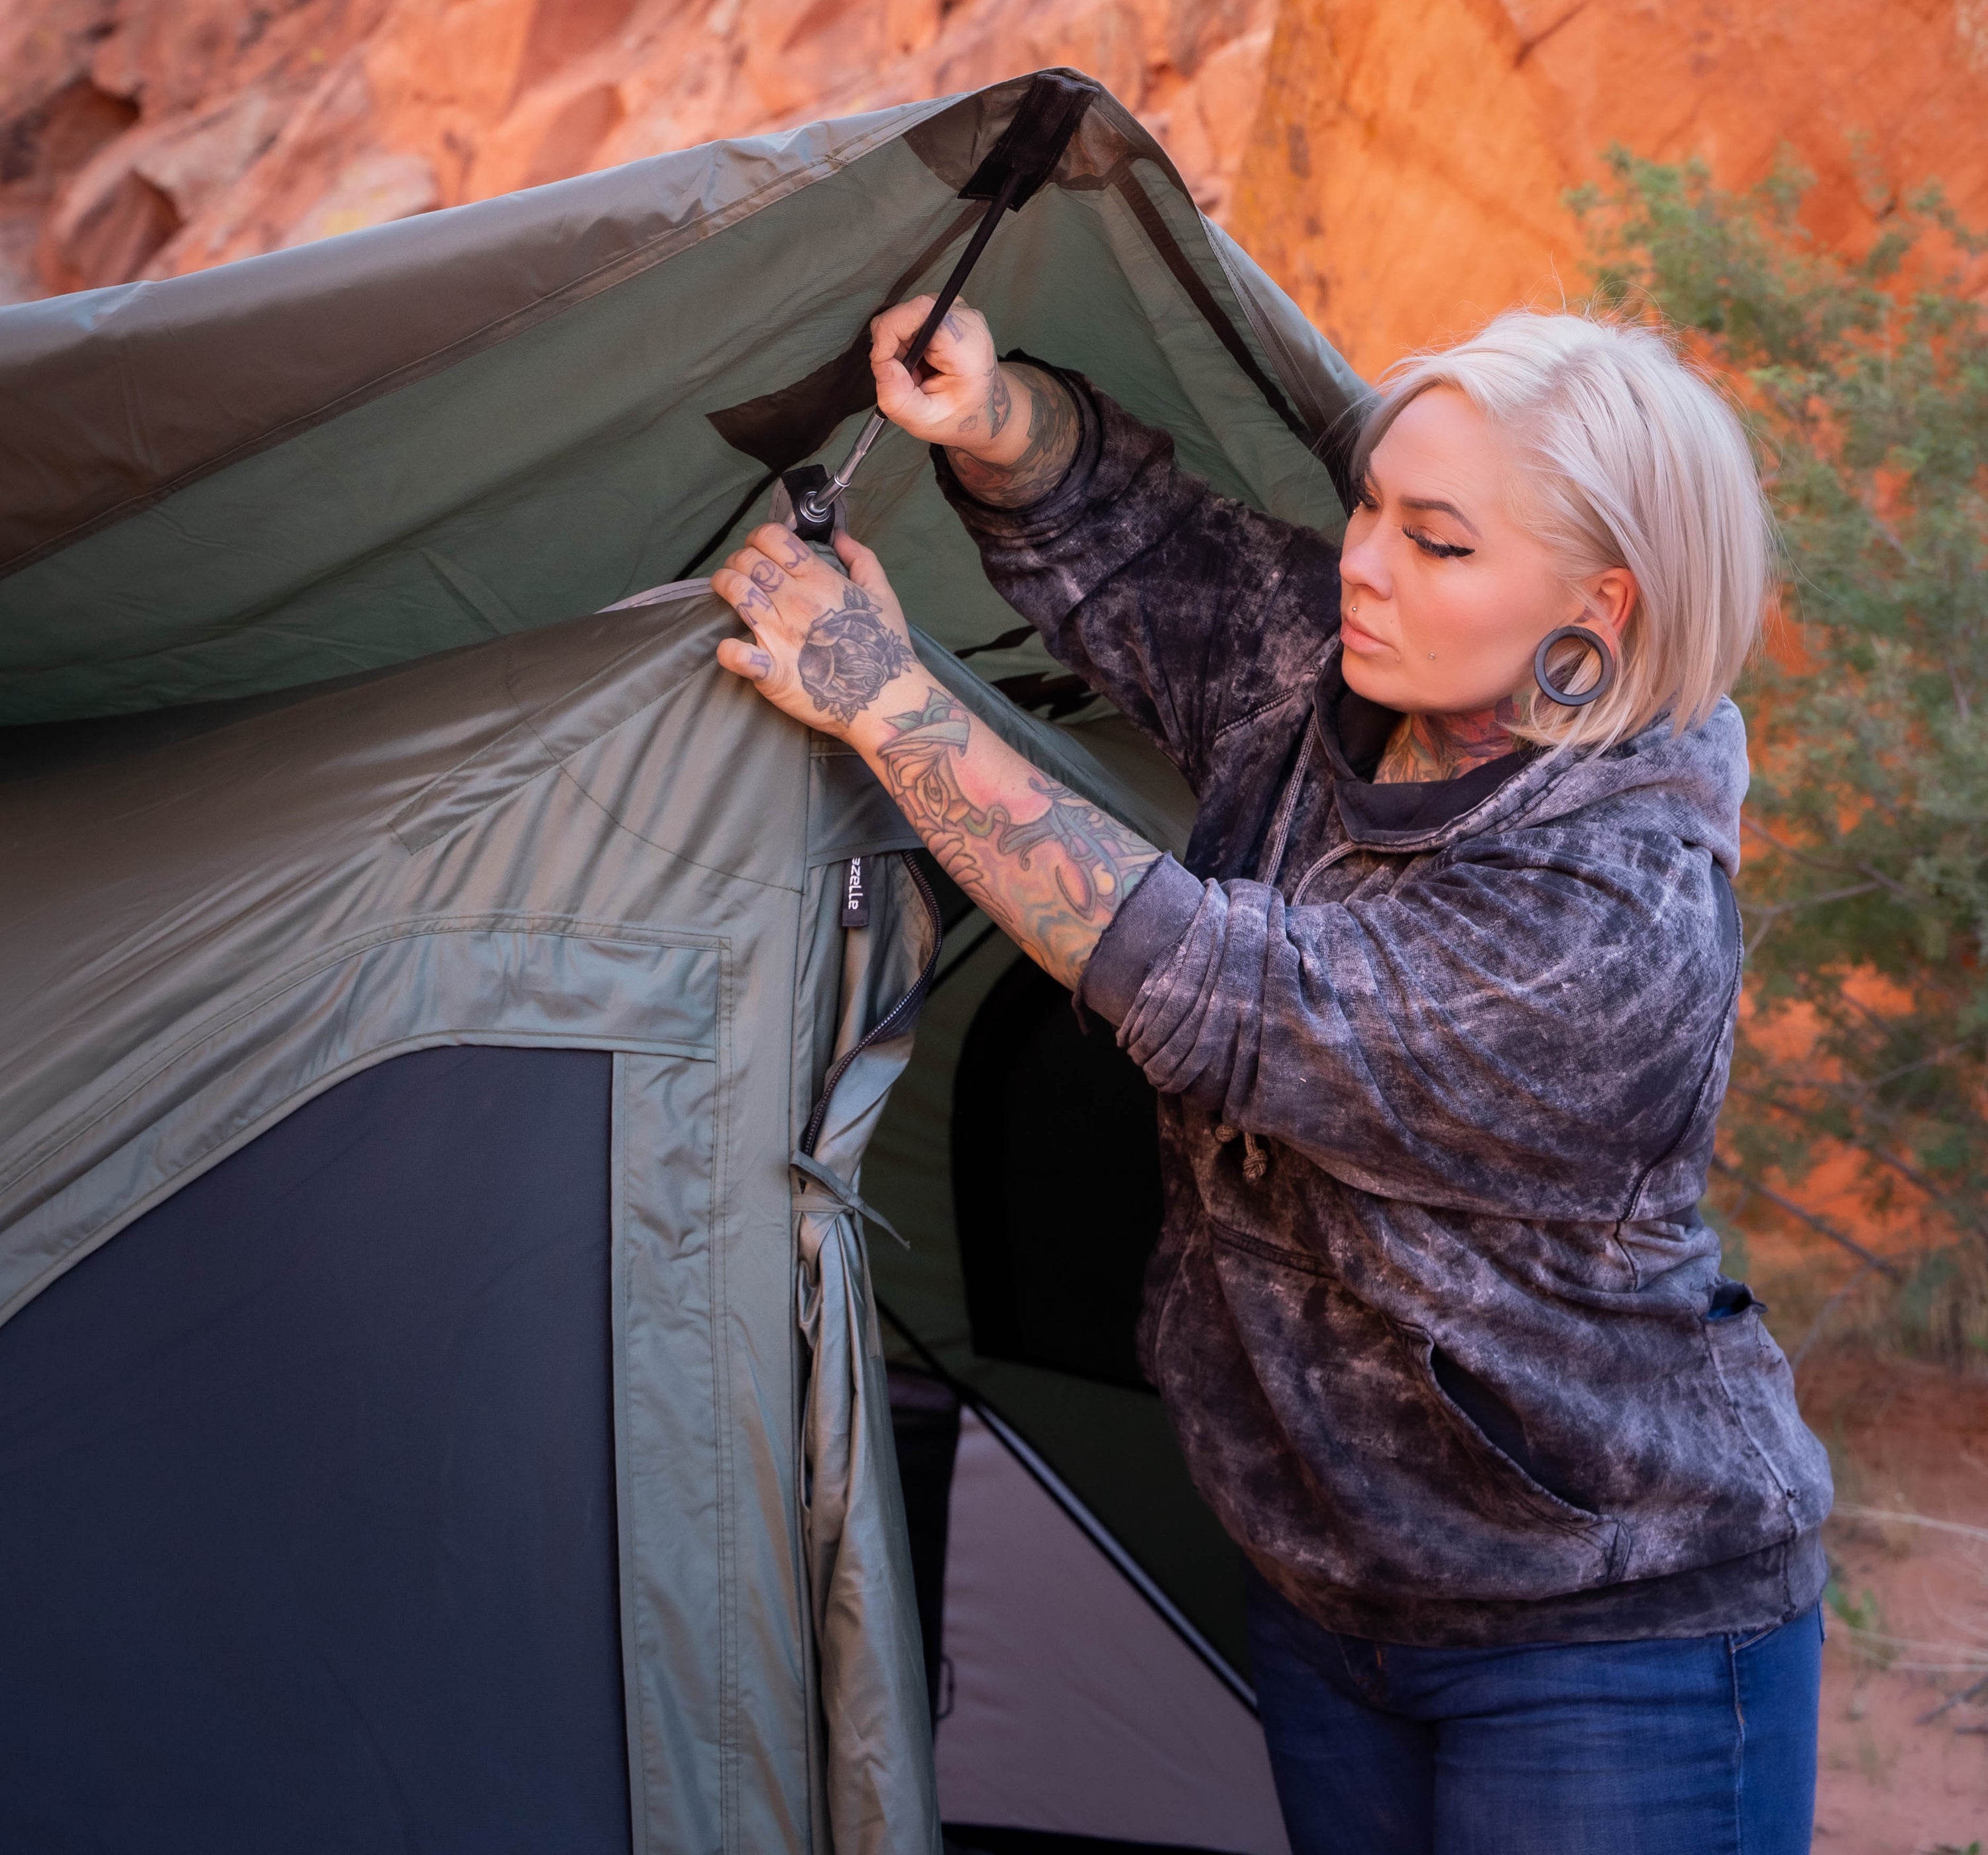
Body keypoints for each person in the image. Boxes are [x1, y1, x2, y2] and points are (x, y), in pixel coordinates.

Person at [710, 295, 1832, 1855]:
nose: (1364, 559)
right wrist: (1000, 417)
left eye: (1438, 543)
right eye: (1373, 501)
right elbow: (1153, 553)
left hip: (1603, 1632)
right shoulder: (1351, 684)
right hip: (1325, 1588)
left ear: (1603, 611)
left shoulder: (1610, 919)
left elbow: (1226, 990)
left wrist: (888, 702)